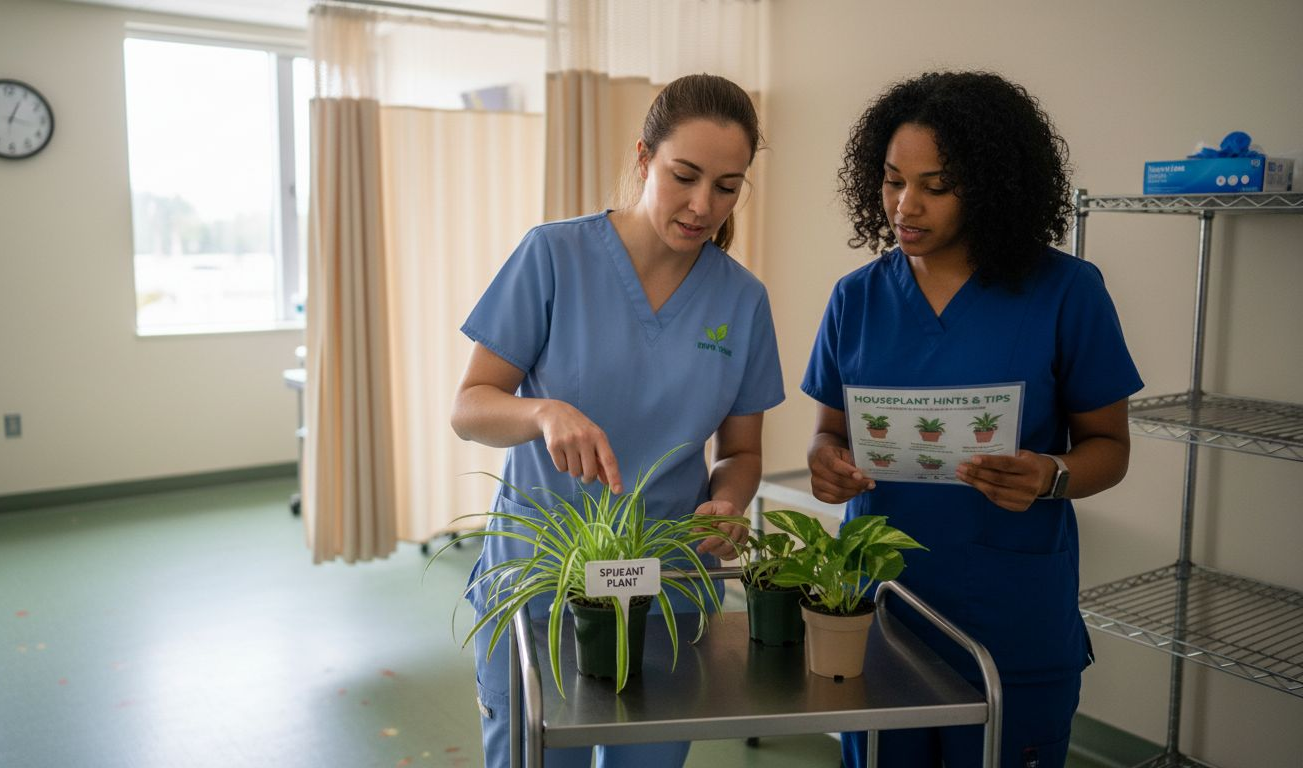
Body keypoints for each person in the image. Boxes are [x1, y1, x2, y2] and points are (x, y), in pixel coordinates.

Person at [802, 71, 1143, 767]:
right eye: (894, 180)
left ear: (990, 187)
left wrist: (1050, 477)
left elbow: (1109, 447)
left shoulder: (1066, 293)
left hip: (1011, 616)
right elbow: (829, 433)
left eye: (937, 185)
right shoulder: (856, 300)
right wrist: (826, 464)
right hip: (879, 613)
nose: (906, 205)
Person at [451, 73, 785, 768]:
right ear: (643, 158)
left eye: (727, 186)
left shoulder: (742, 300)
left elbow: (742, 451)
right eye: (683, 176)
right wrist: (543, 412)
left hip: (663, 591)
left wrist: (727, 500)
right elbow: (471, 405)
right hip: (542, 585)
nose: (702, 206)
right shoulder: (554, 256)